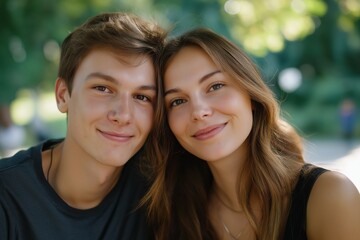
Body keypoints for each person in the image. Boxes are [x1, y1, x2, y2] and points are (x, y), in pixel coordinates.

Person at [144, 28, 360, 240]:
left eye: (215, 86)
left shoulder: (330, 196)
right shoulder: (172, 214)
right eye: (178, 101)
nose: (199, 112)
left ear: (251, 95)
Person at [0, 12, 165, 240]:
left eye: (142, 97)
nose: (123, 115)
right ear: (62, 95)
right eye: (103, 88)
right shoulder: (7, 195)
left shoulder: (160, 190)